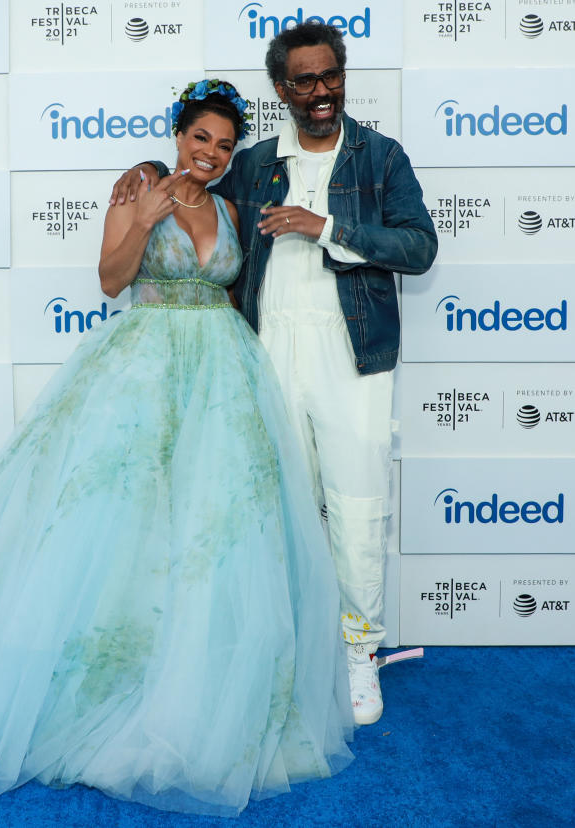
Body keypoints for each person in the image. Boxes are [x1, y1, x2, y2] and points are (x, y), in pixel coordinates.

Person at [0, 79, 354, 817]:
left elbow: (227, 295)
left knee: (210, 532)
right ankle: (106, 684)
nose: (212, 154)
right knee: (119, 522)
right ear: (178, 134)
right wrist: (143, 215)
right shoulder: (136, 193)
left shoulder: (229, 208)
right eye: (201, 138)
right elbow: (110, 281)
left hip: (221, 376)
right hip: (140, 368)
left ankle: (196, 685)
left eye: (224, 145)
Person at [111, 22, 438, 726]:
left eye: (330, 76)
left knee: (355, 509)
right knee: (263, 511)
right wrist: (140, 174)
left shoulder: (381, 158)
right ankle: (280, 649)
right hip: (264, 356)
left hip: (353, 356)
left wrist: (327, 229)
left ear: (343, 76)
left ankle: (357, 652)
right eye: (303, 81)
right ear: (282, 90)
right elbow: (191, 180)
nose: (319, 92)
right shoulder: (256, 163)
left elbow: (418, 248)